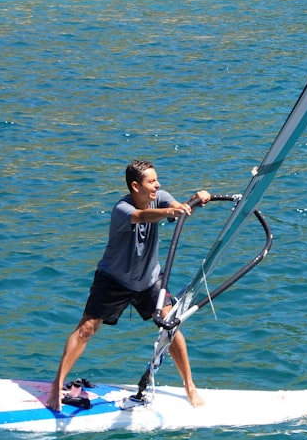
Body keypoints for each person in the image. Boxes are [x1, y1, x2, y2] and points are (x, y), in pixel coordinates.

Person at [46, 160, 209, 412]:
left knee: (171, 325)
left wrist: (191, 201)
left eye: (157, 180)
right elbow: (141, 216)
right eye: (151, 182)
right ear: (135, 186)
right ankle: (56, 386)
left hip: (149, 280)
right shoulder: (122, 209)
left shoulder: (160, 197)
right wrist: (168, 213)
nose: (158, 185)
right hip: (114, 280)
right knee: (86, 329)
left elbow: (176, 207)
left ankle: (190, 385)